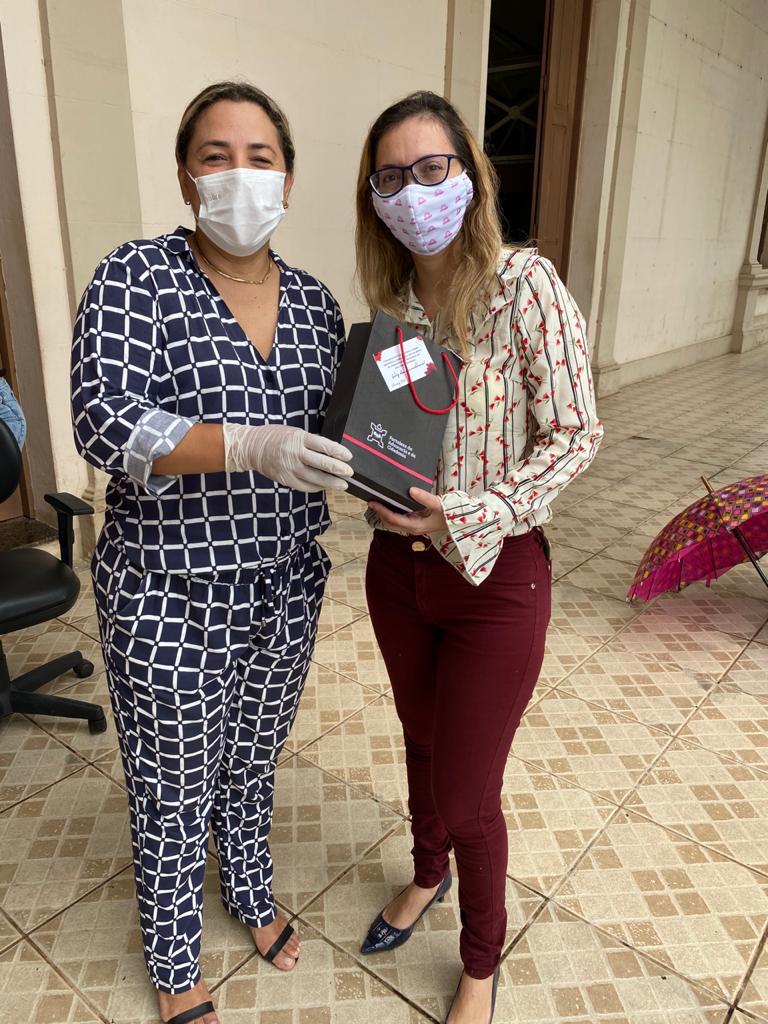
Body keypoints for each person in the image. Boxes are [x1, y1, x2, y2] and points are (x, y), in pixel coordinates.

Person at [71, 81, 353, 1024]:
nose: (240, 174)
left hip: (285, 581)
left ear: (289, 178)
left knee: (253, 757)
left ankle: (250, 890)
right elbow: (102, 420)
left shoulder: (315, 306)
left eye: (260, 157)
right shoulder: (136, 278)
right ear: (186, 177)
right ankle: (173, 956)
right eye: (216, 156)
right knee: (173, 781)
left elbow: (342, 435)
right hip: (169, 587)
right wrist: (244, 444)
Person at [354, 91, 603, 1024]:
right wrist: (364, 470)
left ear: (469, 173)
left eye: (433, 168)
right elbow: (392, 437)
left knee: (467, 794)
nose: (414, 191)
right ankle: (428, 875)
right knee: (418, 737)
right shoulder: (391, 309)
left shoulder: (524, 285)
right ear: (374, 199)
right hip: (396, 572)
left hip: (496, 578)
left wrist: (472, 512)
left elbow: (576, 433)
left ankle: (480, 963)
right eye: (391, 177)